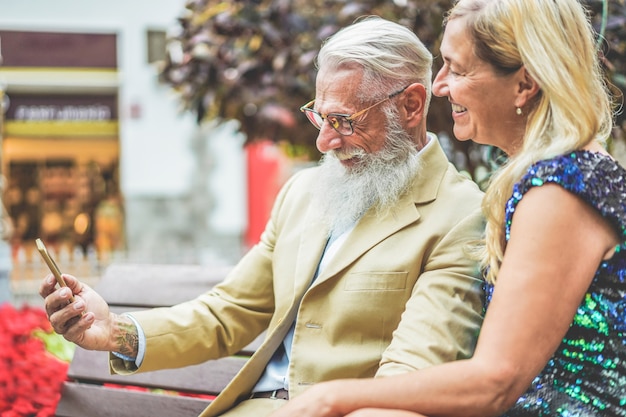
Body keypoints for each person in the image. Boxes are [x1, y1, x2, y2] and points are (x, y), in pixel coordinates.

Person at [40, 16, 486, 417]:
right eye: (320, 118)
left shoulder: (460, 215)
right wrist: (114, 332)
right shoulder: (303, 192)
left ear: (411, 105)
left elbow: (408, 382)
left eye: (344, 121)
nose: (324, 143)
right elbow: (229, 312)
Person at [269, 0, 626, 416]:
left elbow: (495, 381)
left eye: (457, 70)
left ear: (524, 85)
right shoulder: (559, 176)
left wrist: (333, 397)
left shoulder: (561, 191)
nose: (439, 86)